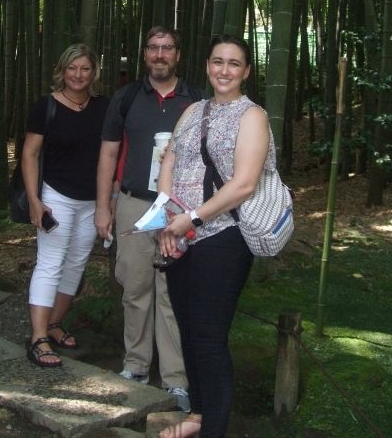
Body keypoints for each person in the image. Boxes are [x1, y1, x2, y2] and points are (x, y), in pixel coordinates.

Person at [156, 35, 273, 438]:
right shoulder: (191, 111)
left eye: (234, 64)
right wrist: (168, 221)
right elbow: (169, 158)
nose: (224, 70)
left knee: (208, 337)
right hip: (181, 234)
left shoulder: (252, 116)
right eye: (218, 62)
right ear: (207, 66)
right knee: (188, 331)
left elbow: (243, 184)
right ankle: (197, 417)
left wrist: (190, 219)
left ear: (246, 72)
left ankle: (213, 430)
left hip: (224, 237)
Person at [95, 26, 202, 412]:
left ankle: (175, 380)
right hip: (133, 203)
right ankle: (136, 366)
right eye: (153, 48)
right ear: (145, 55)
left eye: (167, 48)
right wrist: (102, 206)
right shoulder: (126, 97)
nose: (160, 55)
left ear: (178, 54)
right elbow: (108, 154)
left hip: (178, 209)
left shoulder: (197, 100)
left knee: (172, 294)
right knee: (136, 288)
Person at [22, 43, 109, 368]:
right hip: (56, 196)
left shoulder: (104, 107)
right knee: (51, 263)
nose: (78, 75)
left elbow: (111, 154)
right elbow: (29, 154)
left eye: (85, 68)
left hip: (92, 200)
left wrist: (108, 200)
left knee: (75, 264)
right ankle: (38, 337)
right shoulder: (46, 106)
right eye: (72, 68)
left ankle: (54, 324)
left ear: (93, 72)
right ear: (62, 70)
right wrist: (35, 201)